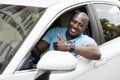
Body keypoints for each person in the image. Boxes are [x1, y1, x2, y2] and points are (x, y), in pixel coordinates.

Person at [37, 12, 101, 60]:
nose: (75, 26)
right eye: (74, 21)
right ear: (70, 20)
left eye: (80, 25)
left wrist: (69, 47)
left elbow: (97, 54)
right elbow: (37, 50)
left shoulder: (85, 40)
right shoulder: (55, 31)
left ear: (85, 28)